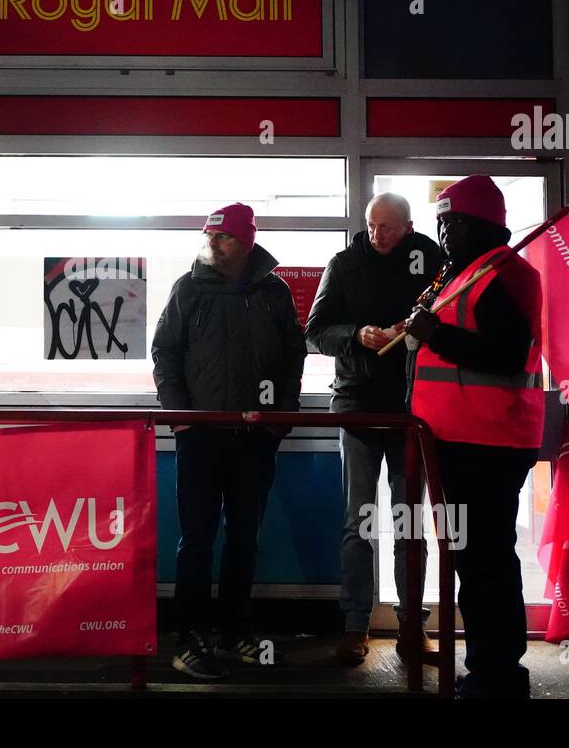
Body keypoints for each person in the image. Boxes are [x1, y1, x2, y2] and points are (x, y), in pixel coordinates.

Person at [152, 202, 307, 679]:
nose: (213, 244)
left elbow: (291, 359)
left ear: (247, 241)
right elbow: (165, 352)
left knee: (245, 538)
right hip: (199, 437)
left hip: (254, 439)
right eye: (209, 236)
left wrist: (279, 421)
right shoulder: (188, 289)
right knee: (196, 538)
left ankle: (236, 631)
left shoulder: (274, 292)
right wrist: (182, 419)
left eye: (224, 237)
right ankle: (189, 636)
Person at [403, 175, 544, 699]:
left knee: (486, 560)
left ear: (484, 224)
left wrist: (434, 332)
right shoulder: (458, 275)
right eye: (441, 223)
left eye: (454, 223)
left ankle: (499, 676)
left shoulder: (508, 274)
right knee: (472, 558)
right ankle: (488, 668)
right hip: (453, 441)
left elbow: (508, 357)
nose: (444, 234)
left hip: (488, 444)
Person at [305, 193, 443, 667]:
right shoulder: (343, 264)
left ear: (407, 226)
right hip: (358, 407)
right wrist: (356, 335)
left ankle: (411, 627)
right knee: (357, 524)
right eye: (370, 226)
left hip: (413, 411)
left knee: (410, 526)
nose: (376, 235)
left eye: (386, 227)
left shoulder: (434, 260)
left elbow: (452, 325)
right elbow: (314, 332)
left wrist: (421, 330)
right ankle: (354, 625)